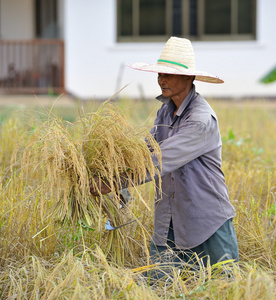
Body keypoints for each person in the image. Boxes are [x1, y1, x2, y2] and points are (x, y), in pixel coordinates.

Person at [91, 37, 239, 277]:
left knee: (221, 289)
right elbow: (145, 150)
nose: (162, 79)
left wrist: (113, 183)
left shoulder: (200, 120)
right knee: (159, 286)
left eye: (169, 74)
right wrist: (108, 167)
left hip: (206, 224)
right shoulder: (165, 111)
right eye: (160, 74)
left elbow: (160, 160)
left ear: (189, 78)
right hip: (168, 220)